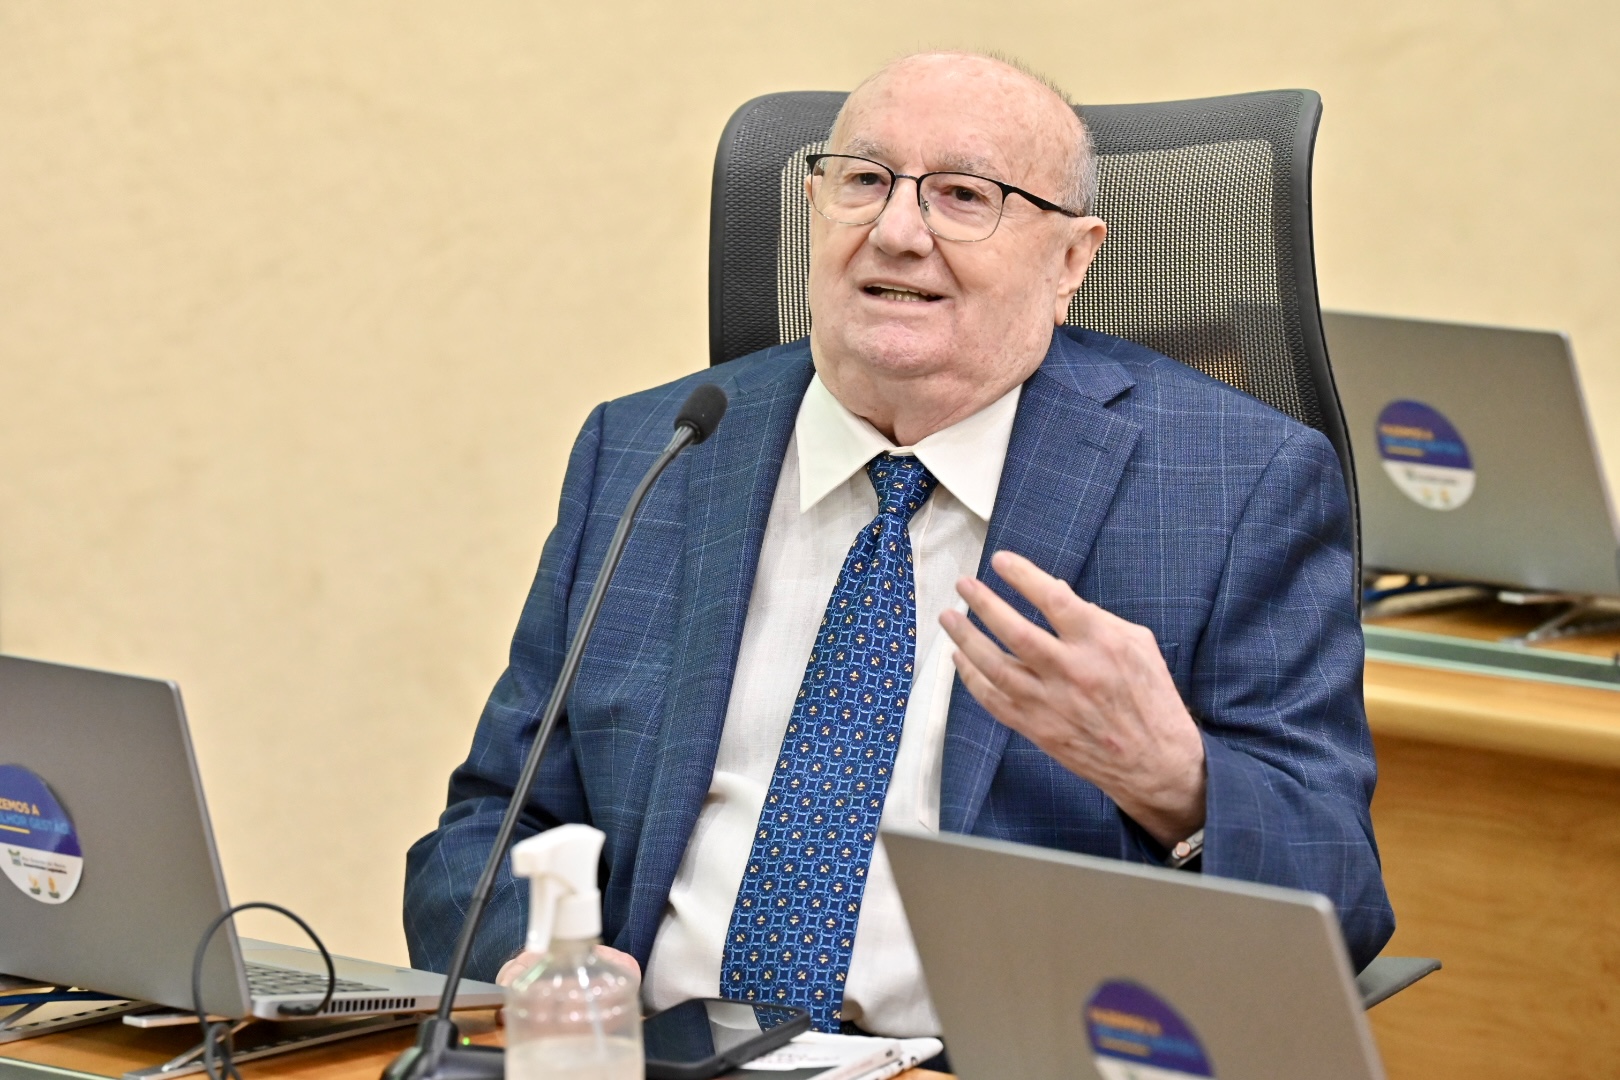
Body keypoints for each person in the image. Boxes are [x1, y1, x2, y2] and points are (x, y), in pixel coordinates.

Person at [404, 51, 1394, 1037]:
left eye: (965, 196)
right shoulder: (654, 451)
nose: (897, 232)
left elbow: (1342, 905)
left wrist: (1176, 781)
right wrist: (533, 964)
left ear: (1071, 261)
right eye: (865, 181)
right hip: (651, 1053)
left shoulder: (1235, 483)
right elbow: (489, 826)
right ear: (814, 210)